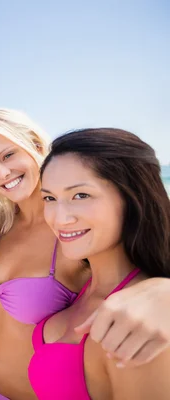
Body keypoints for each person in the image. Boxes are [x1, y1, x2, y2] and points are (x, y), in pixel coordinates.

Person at [0, 109, 170, 399]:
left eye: (8, 155)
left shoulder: (78, 236)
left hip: (24, 389)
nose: (1, 173)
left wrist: (163, 290)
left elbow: (149, 239)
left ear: (35, 144)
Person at [28, 127, 170, 399]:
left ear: (132, 199)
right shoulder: (82, 282)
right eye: (49, 198)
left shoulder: (141, 326)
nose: (60, 218)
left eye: (81, 195)